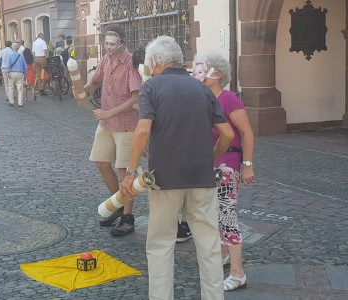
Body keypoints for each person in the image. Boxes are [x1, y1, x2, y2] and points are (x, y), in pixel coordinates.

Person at [120, 36, 234, 300]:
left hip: (164, 179)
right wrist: (211, 158)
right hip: (202, 178)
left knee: (160, 244)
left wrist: (130, 172)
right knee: (208, 245)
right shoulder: (203, 89)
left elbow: (142, 130)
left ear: (155, 62)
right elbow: (227, 135)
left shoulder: (152, 87)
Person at [195, 53, 255, 291]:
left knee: (227, 215)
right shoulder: (204, 98)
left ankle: (238, 273)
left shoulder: (228, 99)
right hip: (211, 163)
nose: (200, 72)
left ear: (217, 74)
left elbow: (247, 132)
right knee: (214, 213)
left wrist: (248, 165)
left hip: (228, 163)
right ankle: (223, 256)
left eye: (204, 68)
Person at [81, 24, 142, 236]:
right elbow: (95, 82)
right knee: (101, 162)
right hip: (106, 123)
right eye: (106, 44)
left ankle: (128, 217)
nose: (108, 48)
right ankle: (117, 203)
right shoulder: (106, 60)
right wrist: (82, 88)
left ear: (122, 43)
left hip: (126, 124)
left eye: (112, 44)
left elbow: (135, 98)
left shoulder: (130, 63)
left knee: (125, 170)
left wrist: (109, 112)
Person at [6, 43, 28, 107]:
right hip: (20, 73)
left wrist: (7, 73)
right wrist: (26, 75)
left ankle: (11, 102)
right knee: (20, 89)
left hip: (12, 73)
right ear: (18, 48)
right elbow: (25, 66)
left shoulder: (10, 56)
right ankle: (20, 103)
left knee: (10, 88)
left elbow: (8, 65)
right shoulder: (21, 56)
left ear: (12, 48)